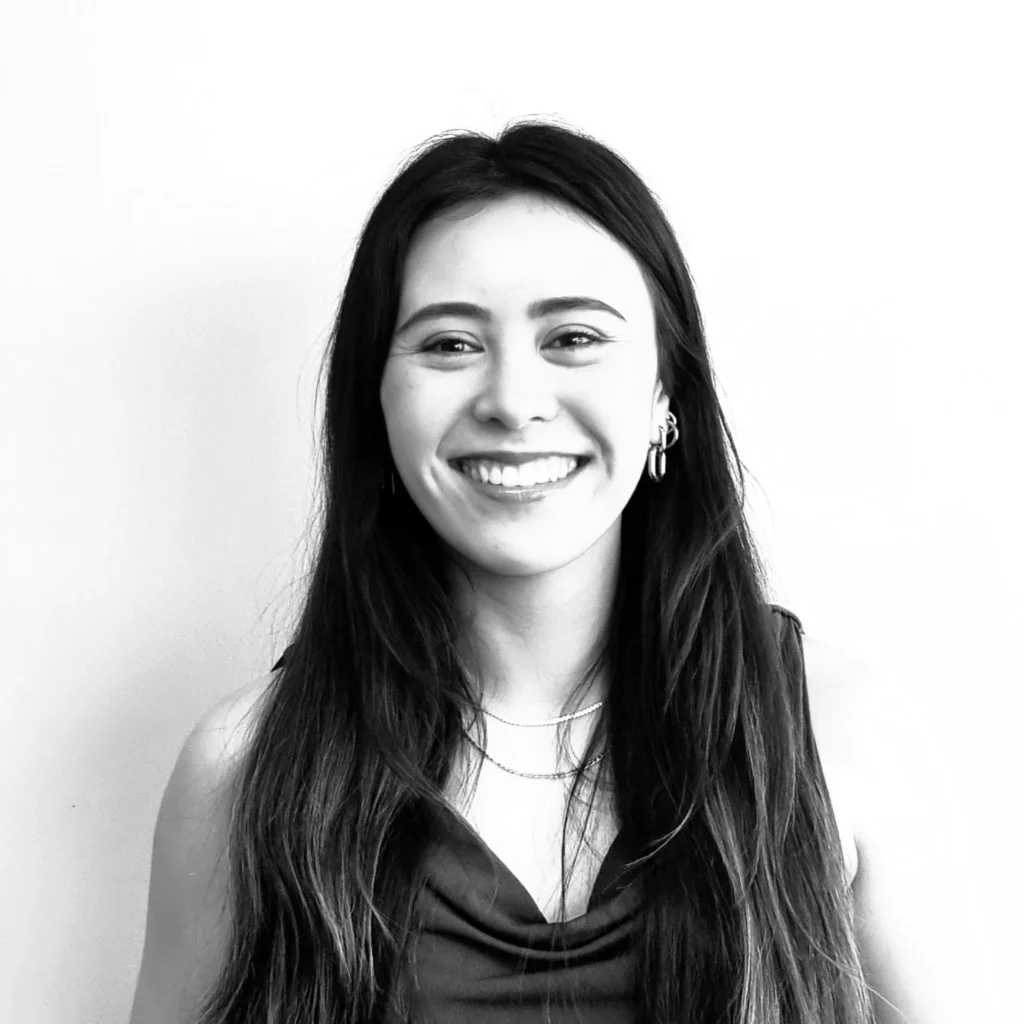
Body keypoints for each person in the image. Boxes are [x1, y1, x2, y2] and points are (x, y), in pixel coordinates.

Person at [129, 121, 893, 1023]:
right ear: (376, 404)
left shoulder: (838, 732)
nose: (514, 402)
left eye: (573, 337)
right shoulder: (243, 768)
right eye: (450, 345)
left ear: (665, 395)